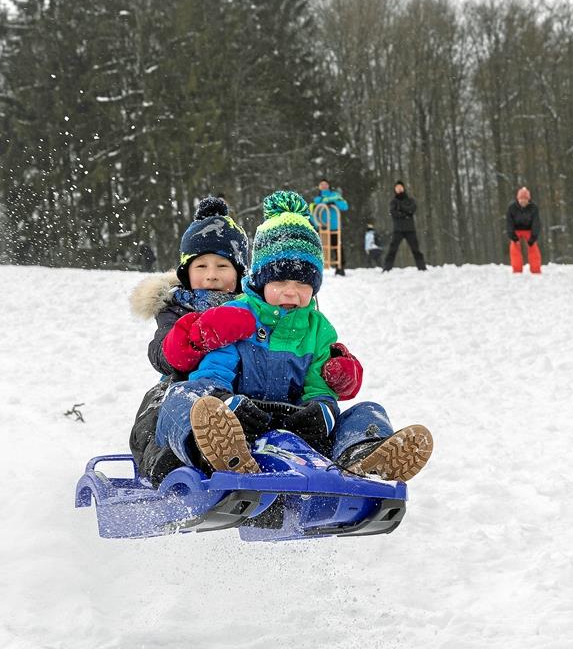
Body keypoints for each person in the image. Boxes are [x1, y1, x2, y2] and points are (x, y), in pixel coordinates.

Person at [153, 190, 432, 482]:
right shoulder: (237, 316)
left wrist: (320, 411)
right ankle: (216, 454)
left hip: (293, 425)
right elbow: (212, 373)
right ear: (260, 280)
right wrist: (226, 403)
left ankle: (362, 458)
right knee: (187, 397)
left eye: (302, 283)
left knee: (369, 412)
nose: (291, 291)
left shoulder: (318, 329)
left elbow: (319, 386)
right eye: (280, 281)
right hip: (240, 422)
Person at [127, 195, 366, 484]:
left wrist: (335, 377)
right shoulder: (178, 307)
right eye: (201, 267)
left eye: (222, 267)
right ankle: (180, 460)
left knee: (365, 413)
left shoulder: (264, 312)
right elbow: (165, 356)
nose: (212, 276)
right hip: (194, 391)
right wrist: (201, 334)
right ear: (185, 271)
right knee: (168, 406)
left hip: (260, 407)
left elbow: (316, 374)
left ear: (242, 272)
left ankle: (364, 454)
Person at [384, 180, 426, 271]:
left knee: (416, 250)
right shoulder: (393, 201)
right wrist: (405, 213)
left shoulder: (410, 200)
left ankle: (422, 268)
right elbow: (394, 213)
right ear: (395, 189)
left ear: (403, 188)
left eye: (400, 187)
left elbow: (412, 209)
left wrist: (401, 208)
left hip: (410, 229)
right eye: (397, 188)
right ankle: (386, 269)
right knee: (392, 250)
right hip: (398, 230)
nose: (399, 189)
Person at [310, 178, 349, 276]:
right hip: (321, 227)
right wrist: (315, 224)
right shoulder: (316, 199)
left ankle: (340, 267)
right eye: (321, 184)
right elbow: (311, 213)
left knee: (338, 247)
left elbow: (344, 206)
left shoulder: (335, 196)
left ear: (328, 185)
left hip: (334, 226)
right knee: (319, 248)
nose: (323, 186)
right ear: (319, 187)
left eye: (325, 184)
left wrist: (334, 203)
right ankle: (317, 268)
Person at [507, 186, 541, 274]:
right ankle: (517, 270)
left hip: (529, 229)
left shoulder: (534, 208)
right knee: (514, 247)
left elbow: (536, 223)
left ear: (528, 200)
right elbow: (509, 223)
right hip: (516, 230)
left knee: (533, 247)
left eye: (525, 199)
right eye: (521, 199)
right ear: (518, 199)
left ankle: (535, 269)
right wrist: (512, 236)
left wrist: (533, 237)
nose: (523, 201)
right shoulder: (512, 208)